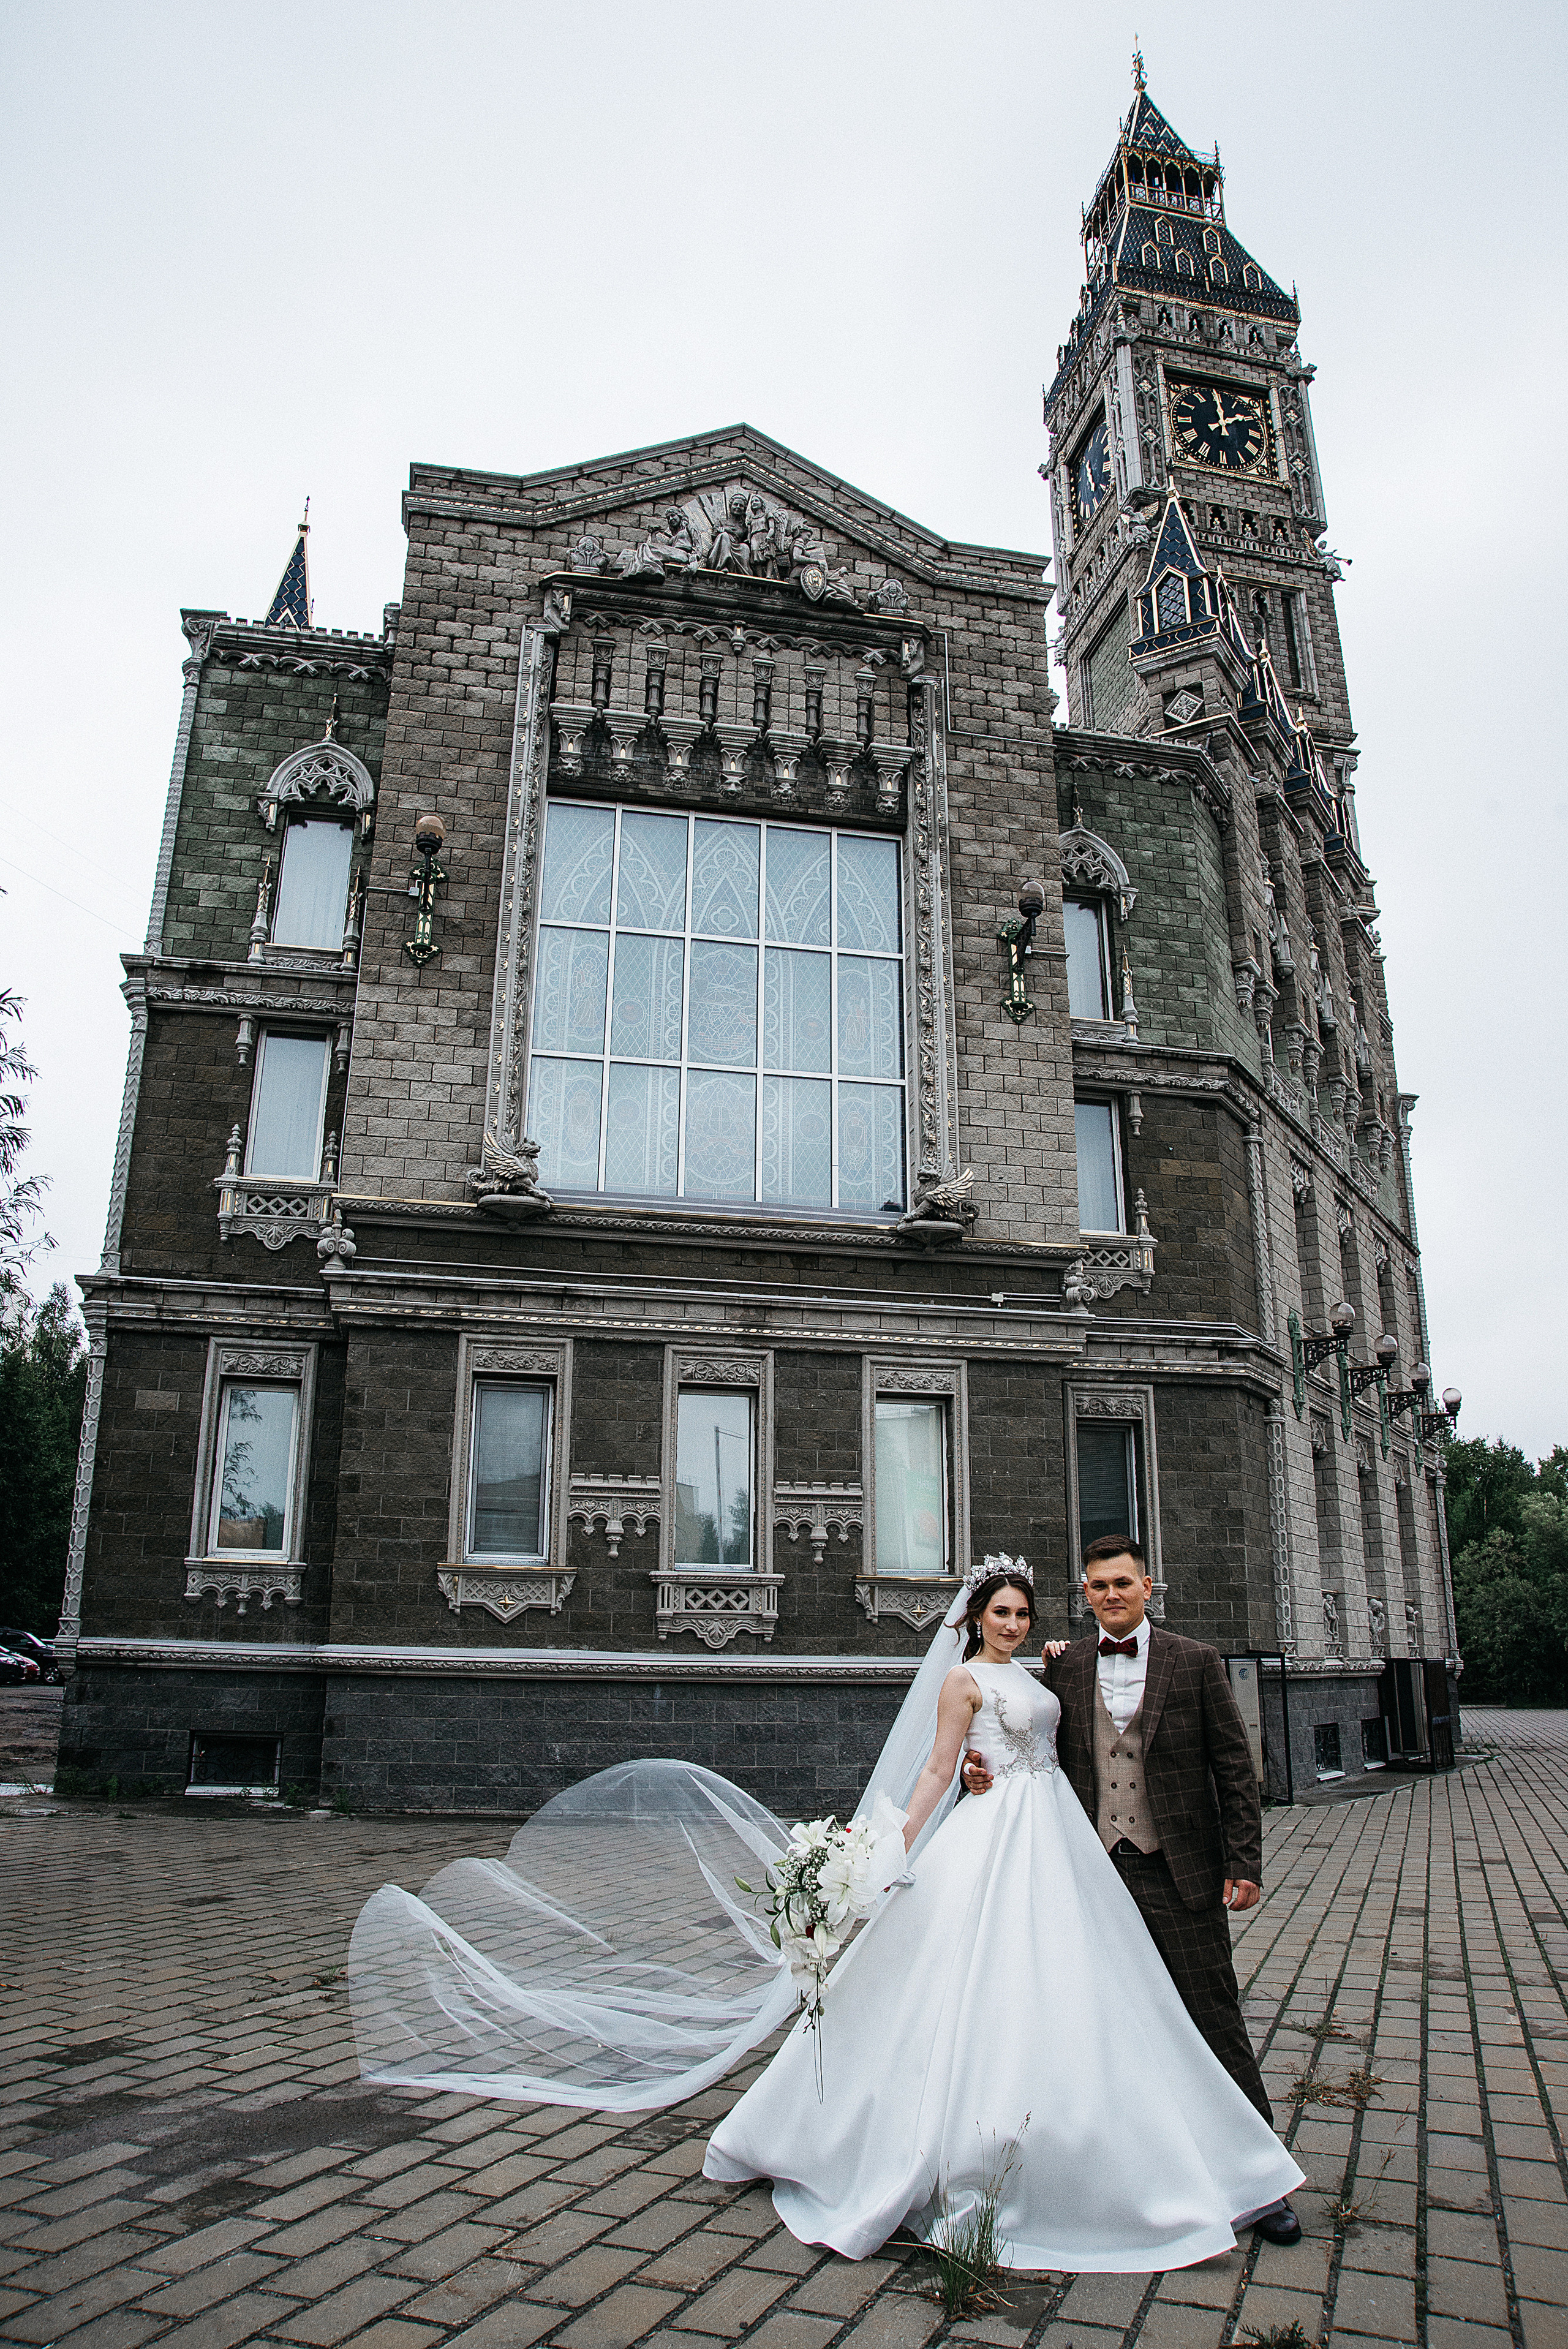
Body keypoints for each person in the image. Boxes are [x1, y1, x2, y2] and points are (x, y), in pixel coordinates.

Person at [703, 1560, 1303, 2269]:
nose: (1013, 1624)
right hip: (994, 1839)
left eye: (1022, 1614)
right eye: (1000, 1614)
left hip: (1069, 1840)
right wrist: (886, 1845)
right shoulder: (964, 1680)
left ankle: (1242, 2165)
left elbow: (1092, 1744)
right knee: (985, 1984)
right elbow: (937, 1766)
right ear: (974, 1618)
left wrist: (1242, 1856)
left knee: (1157, 1998)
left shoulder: (1048, 1671)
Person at [961, 1535, 1301, 2248]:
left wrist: (1245, 1861)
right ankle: (1136, 2168)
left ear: (1148, 1586)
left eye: (1121, 1582)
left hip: (1177, 1868)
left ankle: (1260, 2178)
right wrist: (974, 1767)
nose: (1109, 1595)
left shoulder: (1196, 1661)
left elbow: (1234, 1769)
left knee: (1211, 2012)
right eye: (1096, 1586)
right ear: (1083, 1595)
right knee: (1105, 2024)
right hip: (1086, 1870)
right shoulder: (1063, 1667)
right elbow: (1020, 1739)